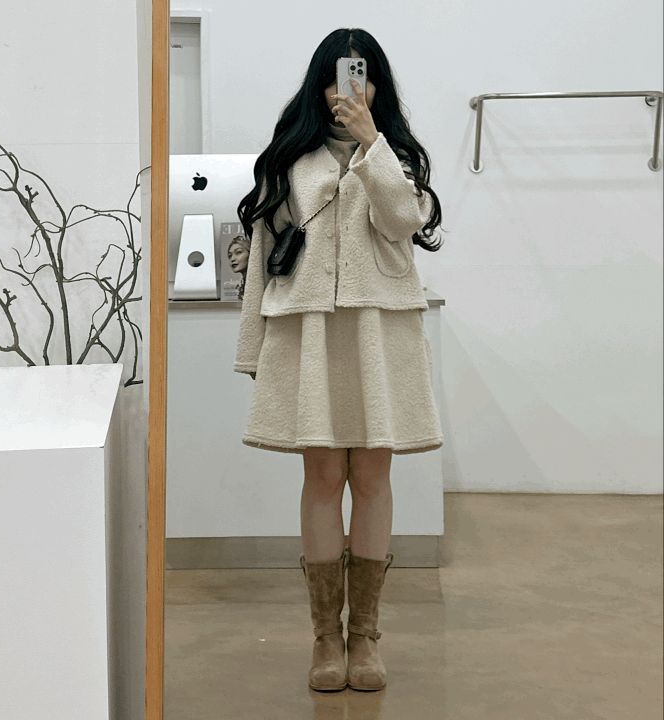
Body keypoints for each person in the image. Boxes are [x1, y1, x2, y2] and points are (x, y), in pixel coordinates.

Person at [233, 28, 445, 692]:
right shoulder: (288, 161)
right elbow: (262, 263)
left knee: (374, 476)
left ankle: (365, 637)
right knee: (322, 476)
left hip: (379, 333)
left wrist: (371, 141)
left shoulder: (398, 157)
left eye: (357, 76)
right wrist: (253, 349)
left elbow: (403, 221)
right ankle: (326, 637)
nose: (343, 91)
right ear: (316, 84)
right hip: (311, 333)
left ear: (376, 85)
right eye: (333, 77)